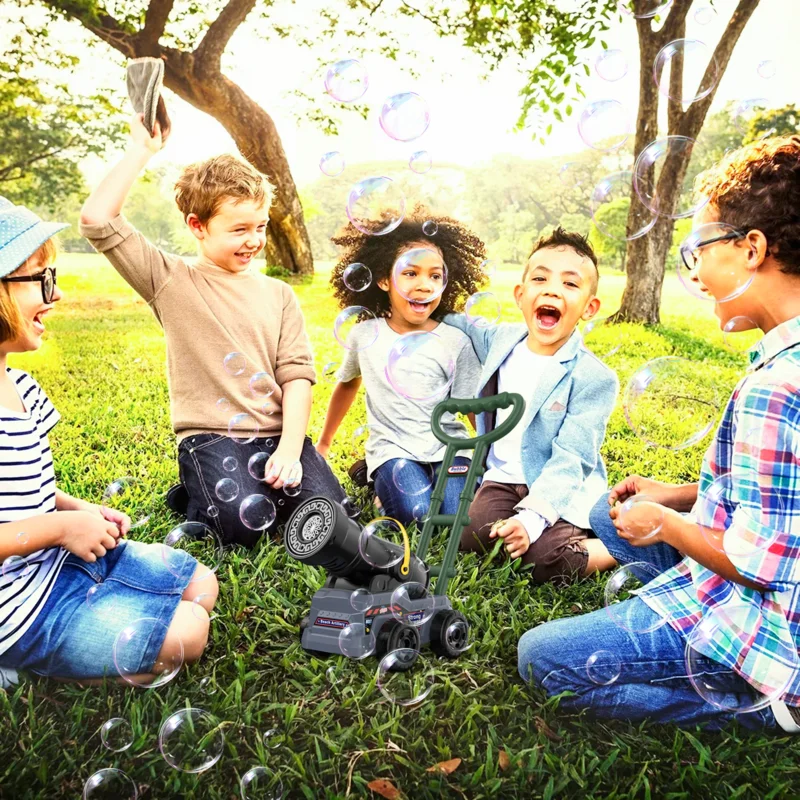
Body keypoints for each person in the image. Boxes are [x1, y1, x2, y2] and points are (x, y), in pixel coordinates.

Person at [518, 135, 800, 732]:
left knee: (544, 659)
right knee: (604, 512)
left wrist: (667, 525)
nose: (693, 269)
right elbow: (779, 500)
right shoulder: (783, 359)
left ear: (751, 249)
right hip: (765, 586)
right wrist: (674, 496)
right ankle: (671, 598)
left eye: (700, 248)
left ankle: (767, 710)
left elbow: (763, 563)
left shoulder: (778, 388)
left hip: (768, 625)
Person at [79, 113, 345, 548]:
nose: (254, 240)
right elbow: (96, 221)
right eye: (238, 229)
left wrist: (291, 449)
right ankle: (197, 490)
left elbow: (296, 376)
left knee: (329, 520)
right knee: (243, 530)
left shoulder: (279, 294)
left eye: (260, 226)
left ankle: (214, 486)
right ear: (197, 226)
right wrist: (142, 150)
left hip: (277, 433)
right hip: (211, 436)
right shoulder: (170, 279)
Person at [0, 197, 217, 689]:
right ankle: (32, 667)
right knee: (191, 632)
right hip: (16, 610)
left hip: (59, 565)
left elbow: (26, 490)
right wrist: (59, 530)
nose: (54, 297)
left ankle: (96, 626)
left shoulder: (24, 388)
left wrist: (80, 511)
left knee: (203, 585)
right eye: (41, 280)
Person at [447, 227, 618, 585]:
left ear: (590, 307)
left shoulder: (593, 377)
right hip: (504, 479)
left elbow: (572, 458)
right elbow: (456, 321)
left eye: (570, 284)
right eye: (540, 278)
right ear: (521, 295)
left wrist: (530, 519)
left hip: (559, 485)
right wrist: (412, 303)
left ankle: (610, 545)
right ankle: (521, 527)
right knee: (471, 538)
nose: (553, 289)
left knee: (543, 562)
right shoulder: (502, 339)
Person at [316, 208, 484, 526]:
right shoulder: (365, 334)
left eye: (435, 275)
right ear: (382, 279)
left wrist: (496, 454)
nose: (424, 285)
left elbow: (472, 406)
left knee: (456, 513)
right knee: (415, 513)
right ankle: (374, 475)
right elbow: (348, 384)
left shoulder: (456, 340)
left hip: (450, 447)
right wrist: (324, 443)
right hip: (393, 448)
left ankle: (391, 481)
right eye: (410, 273)